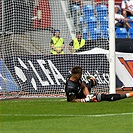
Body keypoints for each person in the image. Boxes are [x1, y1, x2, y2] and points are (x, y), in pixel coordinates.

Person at [65, 66, 133, 102]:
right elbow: (72, 100)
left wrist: (88, 95)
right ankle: (128, 94)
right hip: (78, 98)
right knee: (101, 97)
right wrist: (84, 100)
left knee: (92, 81)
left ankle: (90, 92)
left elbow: (84, 86)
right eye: (81, 74)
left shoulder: (76, 78)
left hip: (81, 93)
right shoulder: (70, 87)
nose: (82, 75)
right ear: (77, 75)